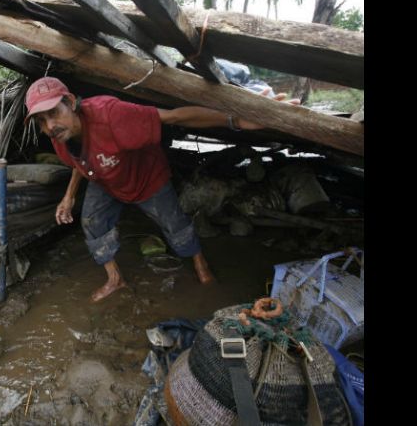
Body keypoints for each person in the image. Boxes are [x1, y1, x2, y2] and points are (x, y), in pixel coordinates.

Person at [24, 76, 295, 302]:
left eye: (54, 113)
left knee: (175, 224)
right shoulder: (59, 136)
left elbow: (173, 116)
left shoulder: (111, 115)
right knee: (92, 222)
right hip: (105, 180)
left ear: (70, 102)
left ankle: (201, 266)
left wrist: (235, 120)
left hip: (147, 178)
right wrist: (68, 197)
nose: (49, 126)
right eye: (41, 121)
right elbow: (80, 161)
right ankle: (115, 279)